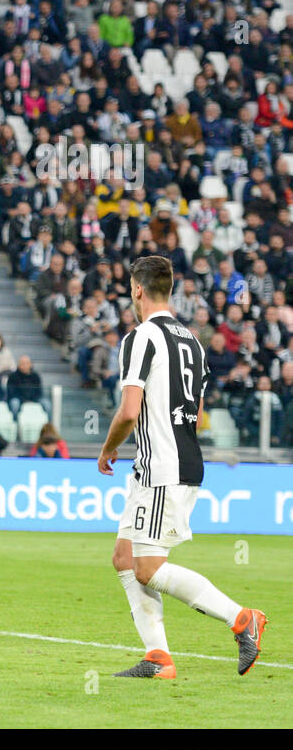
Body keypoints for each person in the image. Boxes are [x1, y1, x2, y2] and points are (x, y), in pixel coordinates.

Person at [99, 256, 266, 679]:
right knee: (124, 557)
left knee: (148, 567)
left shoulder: (141, 337)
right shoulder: (192, 341)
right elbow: (197, 410)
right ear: (168, 289)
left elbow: (128, 411)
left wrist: (106, 450)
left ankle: (241, 617)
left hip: (162, 466)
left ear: (137, 290)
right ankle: (158, 657)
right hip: (171, 460)